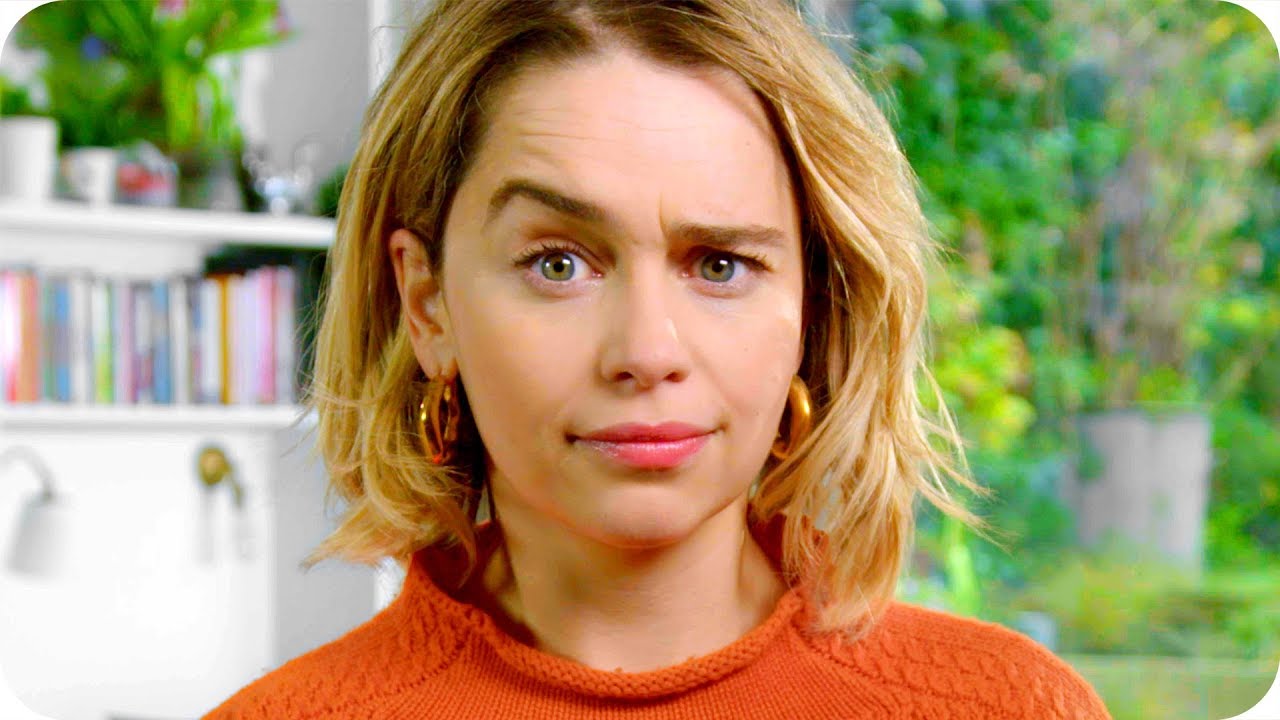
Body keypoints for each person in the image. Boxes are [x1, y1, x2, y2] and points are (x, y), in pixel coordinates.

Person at [204, 0, 1110, 717]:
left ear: (814, 306)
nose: (646, 352)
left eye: (720, 265)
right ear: (427, 302)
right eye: (558, 264)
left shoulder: (1008, 707)